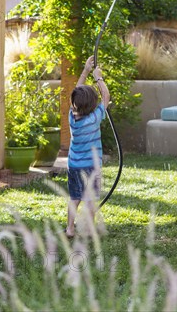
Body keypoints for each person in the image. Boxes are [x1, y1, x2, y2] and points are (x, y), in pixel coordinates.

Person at [66, 55, 110, 238]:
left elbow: (75, 92)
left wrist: (85, 71)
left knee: (75, 198)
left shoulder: (72, 117)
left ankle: (70, 228)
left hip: (74, 165)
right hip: (91, 166)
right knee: (90, 199)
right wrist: (98, 76)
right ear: (93, 104)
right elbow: (106, 96)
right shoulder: (95, 118)